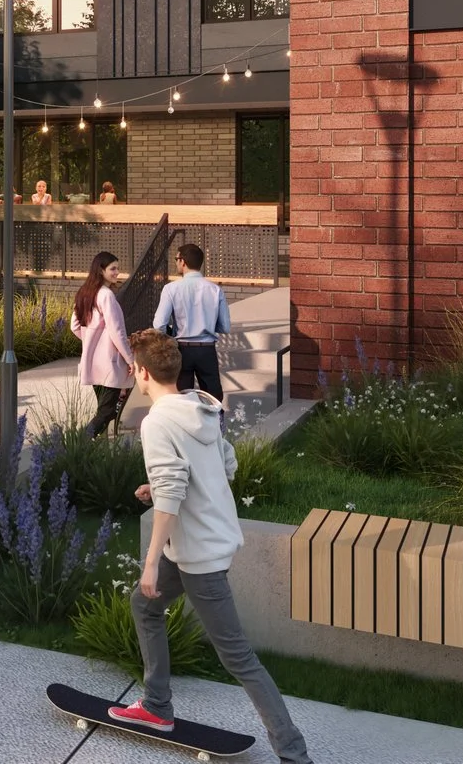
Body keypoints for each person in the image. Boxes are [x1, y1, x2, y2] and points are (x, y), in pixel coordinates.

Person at [110, 330, 311, 761]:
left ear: (143, 373)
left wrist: (149, 562)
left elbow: (173, 490)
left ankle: (294, 754)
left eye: (133, 369)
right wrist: (160, 486)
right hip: (199, 543)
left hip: (198, 555)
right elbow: (225, 463)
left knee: (238, 657)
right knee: (144, 607)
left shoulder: (158, 421)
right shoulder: (198, 407)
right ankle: (157, 706)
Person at [150, 244, 229, 399]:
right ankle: (216, 423)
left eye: (176, 259)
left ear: (183, 262)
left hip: (182, 349)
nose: (176, 263)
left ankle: (185, 423)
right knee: (213, 398)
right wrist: (208, 324)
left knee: (182, 398)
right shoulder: (215, 289)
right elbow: (225, 327)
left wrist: (171, 334)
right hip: (207, 349)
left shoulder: (171, 289)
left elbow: (159, 325)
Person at [72, 252, 134, 439]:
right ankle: (80, 443)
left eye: (117, 268)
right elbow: (117, 331)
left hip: (93, 363)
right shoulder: (106, 295)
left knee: (105, 409)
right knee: (107, 412)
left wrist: (92, 342)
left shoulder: (85, 293)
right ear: (101, 270)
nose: (117, 273)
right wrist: (130, 359)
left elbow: (74, 326)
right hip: (110, 363)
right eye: (113, 269)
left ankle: (96, 446)